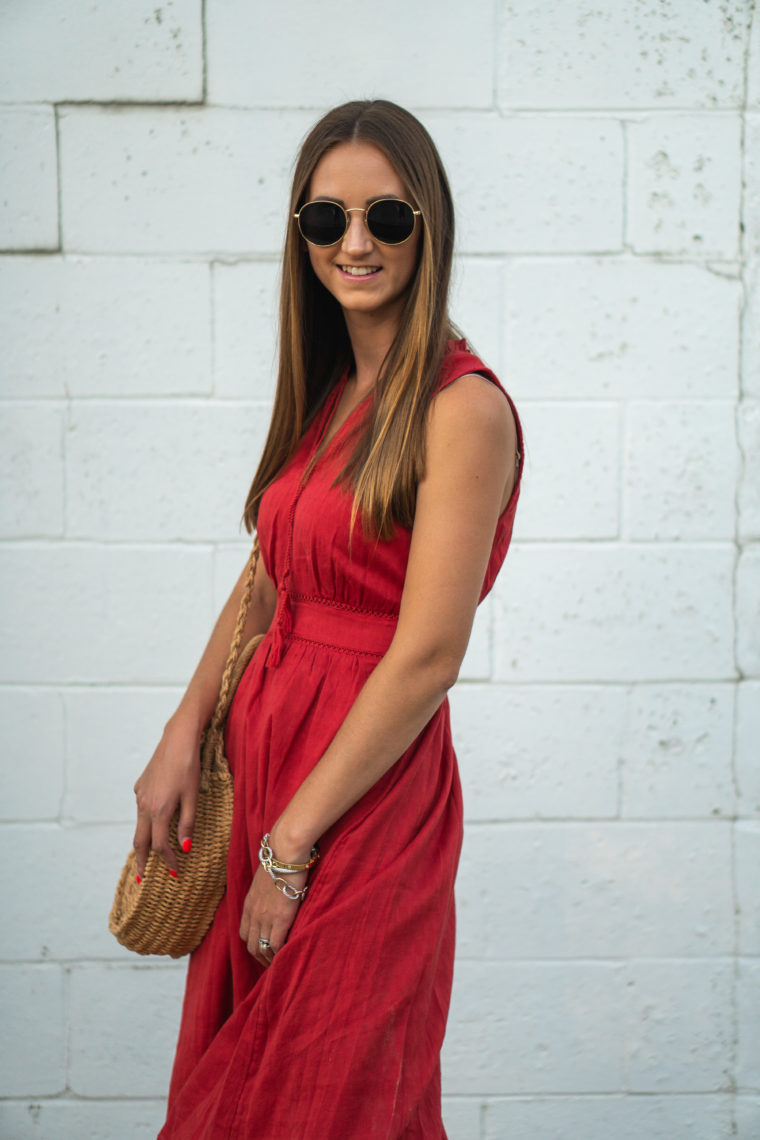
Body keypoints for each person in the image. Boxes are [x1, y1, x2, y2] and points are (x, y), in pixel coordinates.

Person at [133, 98, 524, 1138]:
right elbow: (270, 579)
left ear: (427, 226)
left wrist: (290, 847)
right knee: (248, 1093)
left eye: (386, 218)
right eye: (326, 220)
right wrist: (185, 730)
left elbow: (429, 653)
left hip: (362, 792)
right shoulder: (332, 392)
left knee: (329, 1092)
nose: (355, 243)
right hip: (265, 764)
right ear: (301, 234)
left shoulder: (461, 407)